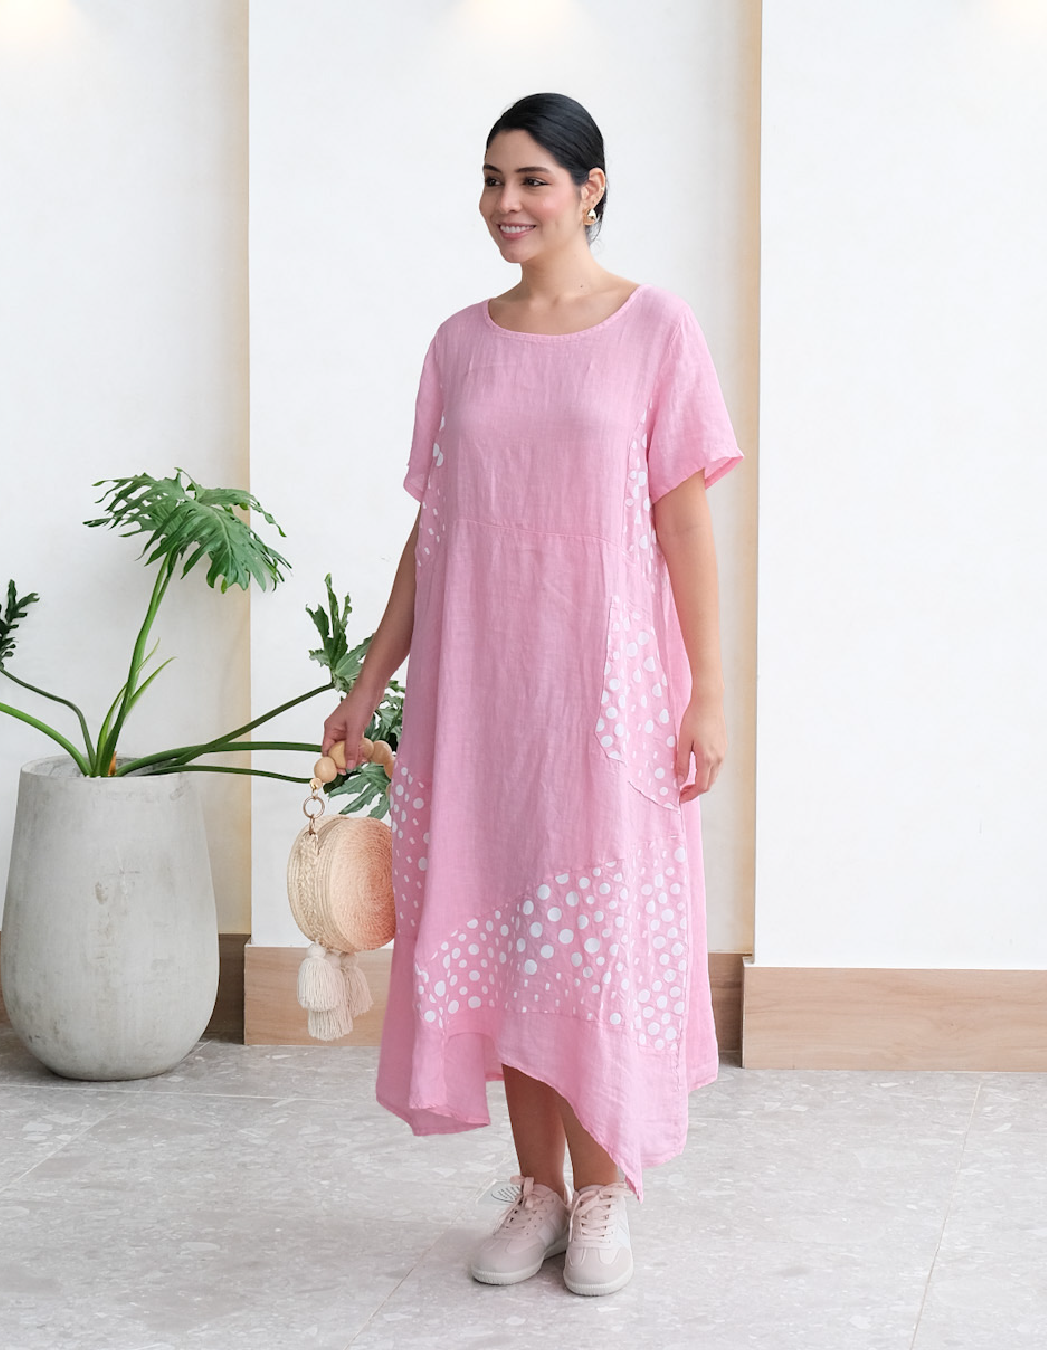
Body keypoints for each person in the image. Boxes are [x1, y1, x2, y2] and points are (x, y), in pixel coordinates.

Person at [322, 91, 743, 1297]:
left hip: (605, 698)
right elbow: (434, 534)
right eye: (493, 179)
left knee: (591, 937)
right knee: (502, 926)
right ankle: (539, 1191)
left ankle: (606, 1193)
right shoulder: (460, 344)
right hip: (481, 697)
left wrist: (709, 692)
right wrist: (368, 686)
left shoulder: (656, 328)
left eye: (533, 181)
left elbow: (684, 524)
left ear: (590, 188)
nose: (506, 203)